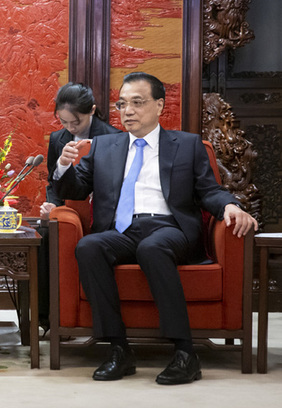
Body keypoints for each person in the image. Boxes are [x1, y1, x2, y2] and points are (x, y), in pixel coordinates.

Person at [50, 72, 258, 385]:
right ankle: (119, 349)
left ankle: (185, 353)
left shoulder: (186, 145)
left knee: (153, 247)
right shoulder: (104, 146)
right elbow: (77, 191)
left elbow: (209, 190)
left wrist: (230, 206)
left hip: (170, 227)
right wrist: (64, 167)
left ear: (159, 105)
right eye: (122, 104)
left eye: (138, 102)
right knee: (89, 247)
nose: (128, 111)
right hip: (123, 229)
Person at [38, 83, 121, 332]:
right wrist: (53, 205)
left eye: (76, 122)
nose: (70, 128)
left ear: (92, 110)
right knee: (43, 238)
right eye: (64, 122)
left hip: (100, 215)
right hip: (67, 214)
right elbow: (54, 180)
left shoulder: (112, 138)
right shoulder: (57, 139)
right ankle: (46, 319)